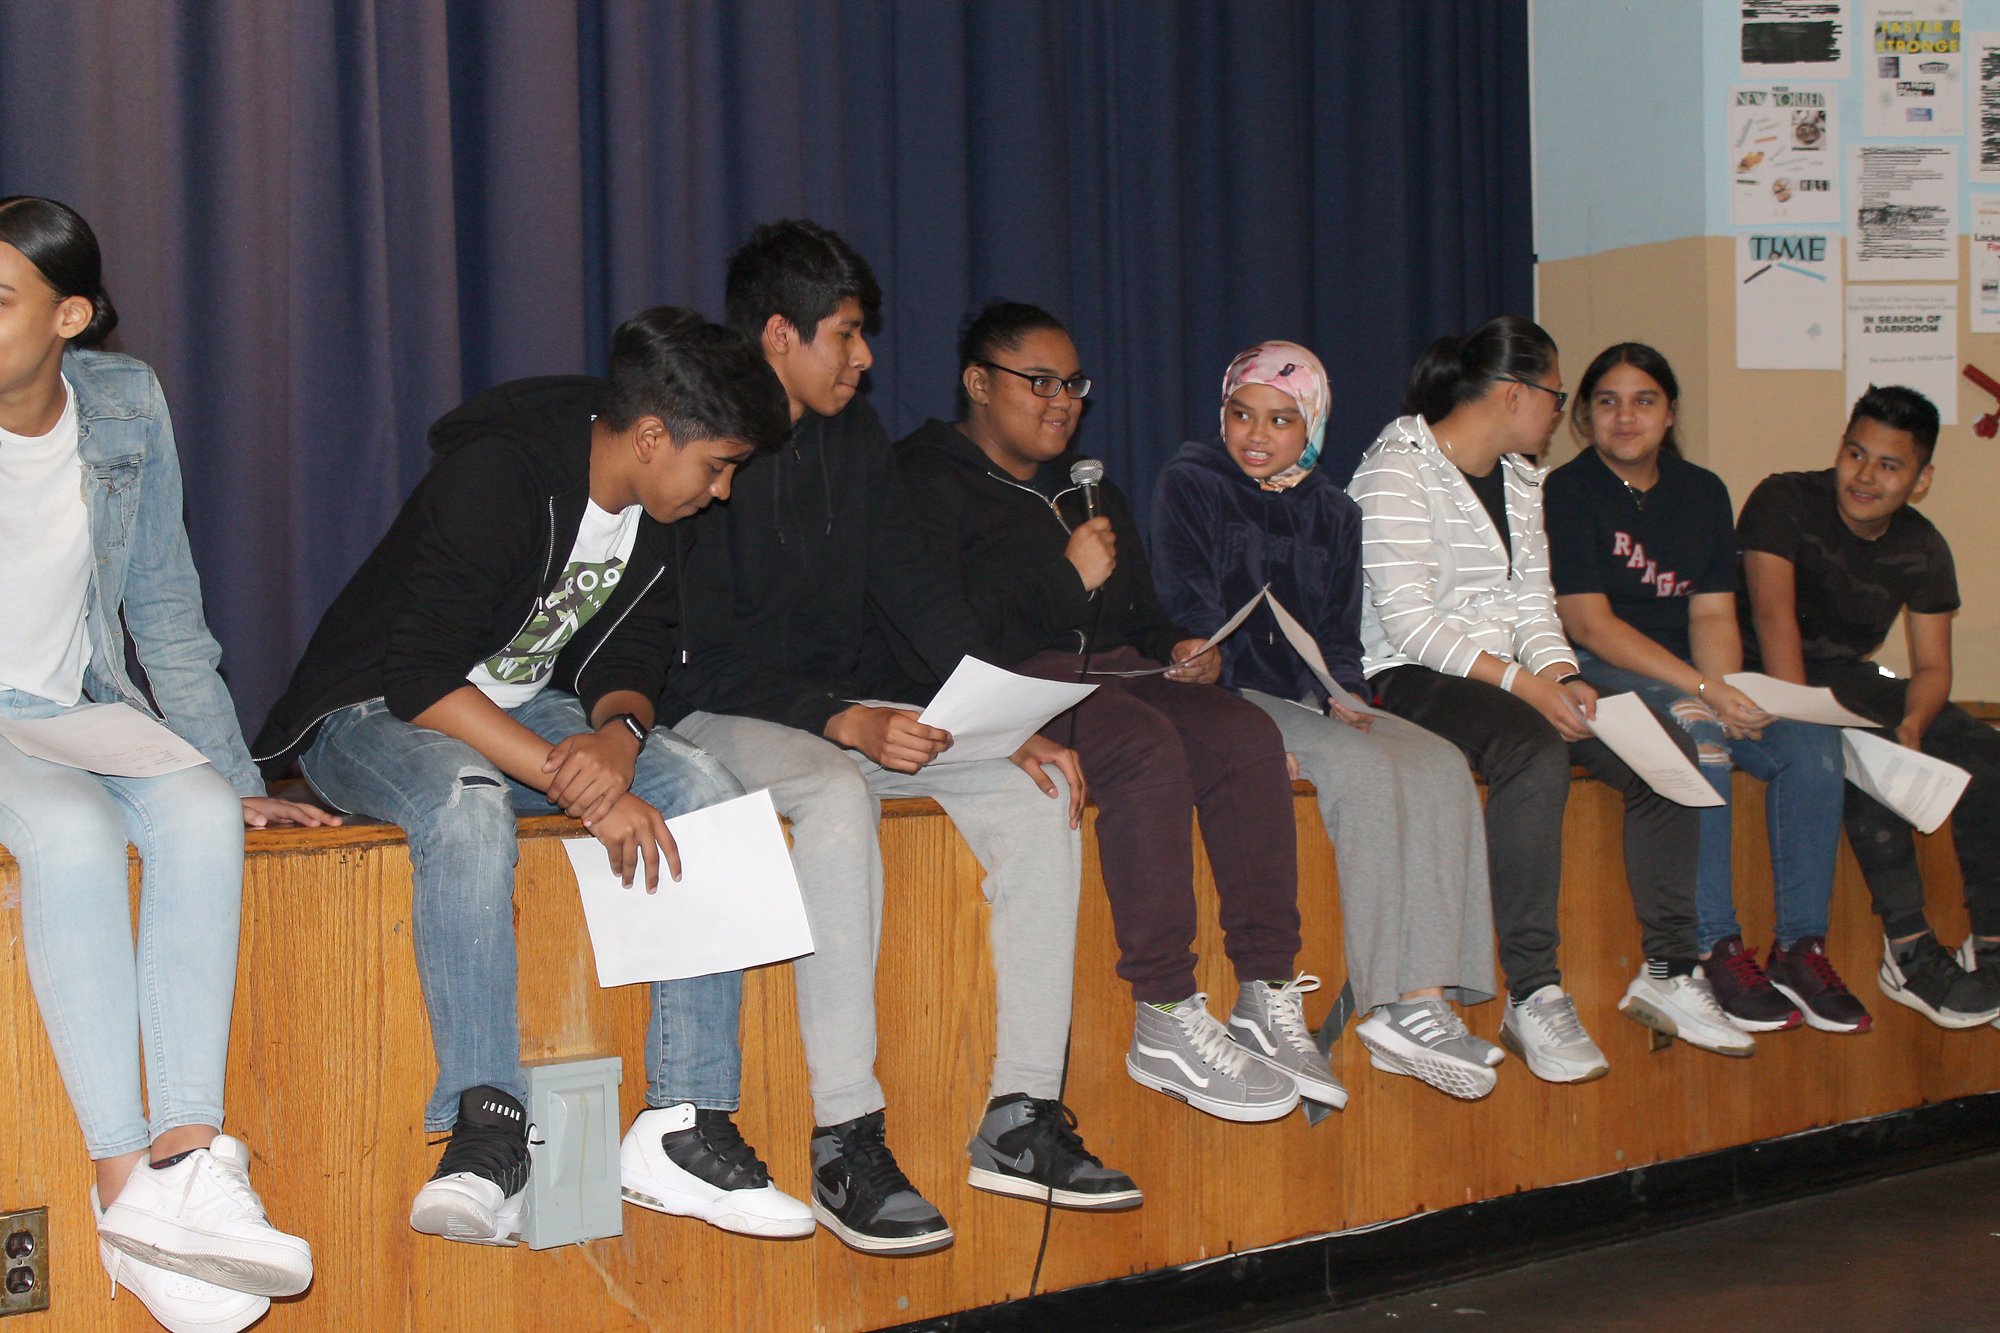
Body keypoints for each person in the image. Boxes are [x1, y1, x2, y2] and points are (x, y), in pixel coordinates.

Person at [254, 307, 812, 1248]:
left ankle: (682, 1122)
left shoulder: (655, 509)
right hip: (369, 712)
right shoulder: (502, 475)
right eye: (717, 464)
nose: (722, 490)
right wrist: (571, 774)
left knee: (709, 787)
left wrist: (620, 740)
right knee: (468, 805)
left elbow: (638, 645)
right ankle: (486, 1130)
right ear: (649, 436)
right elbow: (420, 675)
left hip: (517, 709)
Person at [670, 224, 1132, 1258]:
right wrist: (835, 716)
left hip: (842, 706)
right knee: (834, 793)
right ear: (778, 335)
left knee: (1040, 789)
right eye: (843, 335)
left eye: (863, 334)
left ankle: (1019, 1113)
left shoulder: (853, 438)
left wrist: (991, 715)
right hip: (714, 712)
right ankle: (845, 1134)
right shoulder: (702, 437)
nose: (864, 356)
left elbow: (913, 588)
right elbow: (688, 655)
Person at [0, 196, 323, 1333]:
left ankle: (186, 1162)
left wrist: (238, 779)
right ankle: (120, 1183)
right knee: (77, 836)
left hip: (77, 702)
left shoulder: (126, 403)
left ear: (70, 316)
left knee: (192, 811)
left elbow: (168, 615)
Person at [897, 303, 1327, 1120]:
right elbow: (943, 635)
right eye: (1040, 382)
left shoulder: (1087, 488)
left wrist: (1182, 646)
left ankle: (1268, 991)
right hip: (1015, 688)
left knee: (1246, 731)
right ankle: (1165, 1008)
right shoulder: (921, 482)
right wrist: (1065, 577)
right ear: (978, 383)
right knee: (1139, 742)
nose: (1063, 400)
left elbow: (1137, 621)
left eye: (1074, 385)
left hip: (1119, 673)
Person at [1348, 315, 1753, 1081]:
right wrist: (1529, 687)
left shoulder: (1518, 478)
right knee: (1530, 750)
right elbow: (1409, 622)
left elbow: (1537, 607)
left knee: (1662, 748)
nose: (1560, 416)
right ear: (1513, 394)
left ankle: (1670, 968)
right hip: (1410, 674)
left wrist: (1562, 676)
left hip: (1513, 674)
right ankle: (1532, 990)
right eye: (1559, 397)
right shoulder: (1396, 469)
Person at [1150, 339, 1502, 1101]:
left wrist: (1348, 696)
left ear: (1308, 426)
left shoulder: (1335, 509)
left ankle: (1430, 998)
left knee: (1440, 763)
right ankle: (1396, 1002)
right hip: (1232, 697)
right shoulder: (1193, 479)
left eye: (1280, 419)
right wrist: (1223, 707)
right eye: (1241, 414)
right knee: (1369, 773)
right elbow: (1185, 605)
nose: (1255, 434)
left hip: (1311, 697)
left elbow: (1341, 632)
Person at [1545, 344, 1866, 1035]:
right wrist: (1704, 691)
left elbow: (1714, 612)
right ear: (1582, 416)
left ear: (1669, 412)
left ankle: (1799, 947)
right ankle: (1713, 944)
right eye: (1607, 401)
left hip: (1693, 670)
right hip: (1602, 668)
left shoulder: (1703, 492)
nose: (1625, 416)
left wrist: (1727, 689)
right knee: (1701, 730)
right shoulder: (1567, 491)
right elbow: (1588, 624)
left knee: (1812, 743)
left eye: (1644, 400)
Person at [1737, 384, 2000, 1029]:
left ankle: (1992, 947)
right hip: (1757, 677)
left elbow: (1934, 668)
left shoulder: (1923, 545)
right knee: (1845, 754)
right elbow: (1774, 617)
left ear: (1921, 478)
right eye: (1855, 454)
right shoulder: (1784, 499)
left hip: (1851, 682)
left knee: (1988, 754)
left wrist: (1912, 724)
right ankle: (1908, 949)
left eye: (1889, 465)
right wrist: (1810, 716)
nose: (1864, 475)